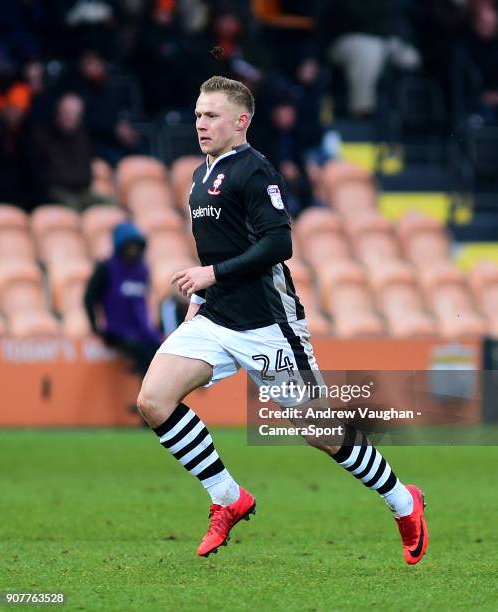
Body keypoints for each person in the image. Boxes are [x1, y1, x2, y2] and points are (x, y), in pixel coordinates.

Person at [136, 76, 429, 563]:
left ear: (240, 121)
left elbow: (279, 244)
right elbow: (218, 242)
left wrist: (210, 274)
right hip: (215, 318)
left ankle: (404, 502)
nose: (200, 124)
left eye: (210, 116)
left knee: (320, 431)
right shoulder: (200, 174)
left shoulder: (257, 171)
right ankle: (229, 499)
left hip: (267, 322)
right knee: (153, 400)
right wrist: (201, 298)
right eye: (197, 115)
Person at [84, 221, 163, 377]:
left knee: (161, 351)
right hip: (116, 330)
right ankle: (146, 398)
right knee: (142, 353)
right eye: (129, 246)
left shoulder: (143, 270)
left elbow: (142, 303)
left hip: (141, 329)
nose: (133, 251)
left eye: (136, 246)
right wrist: (95, 327)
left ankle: (157, 396)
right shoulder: (105, 268)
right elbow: (89, 298)